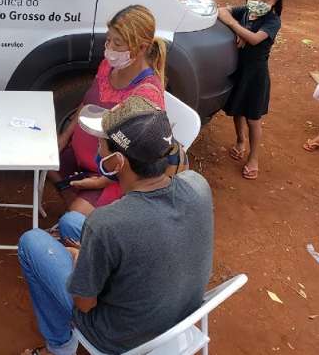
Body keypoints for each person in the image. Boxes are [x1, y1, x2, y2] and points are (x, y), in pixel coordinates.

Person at [18, 96, 214, 355]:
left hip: (117, 337)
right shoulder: (197, 184)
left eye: (101, 142)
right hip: (178, 315)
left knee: (31, 242)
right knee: (71, 222)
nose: (98, 148)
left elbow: (85, 304)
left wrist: (80, 263)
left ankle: (60, 347)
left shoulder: (107, 223)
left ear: (118, 162)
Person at [51, 5, 169, 216]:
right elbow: (86, 103)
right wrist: (64, 136)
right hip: (80, 157)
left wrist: (102, 181)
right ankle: (73, 199)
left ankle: (80, 210)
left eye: (117, 43)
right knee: (44, 160)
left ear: (141, 48)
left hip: (111, 175)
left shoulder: (147, 94)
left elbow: (140, 159)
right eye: (108, 40)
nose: (109, 48)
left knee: (75, 218)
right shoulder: (108, 66)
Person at [218, 0, 283, 180]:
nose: (259, 2)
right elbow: (221, 10)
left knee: (253, 119)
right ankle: (240, 141)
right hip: (240, 71)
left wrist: (237, 28)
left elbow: (254, 39)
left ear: (275, 2)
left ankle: (254, 158)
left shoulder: (272, 21)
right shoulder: (245, 11)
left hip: (255, 77)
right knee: (237, 111)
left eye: (266, 0)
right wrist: (237, 27)